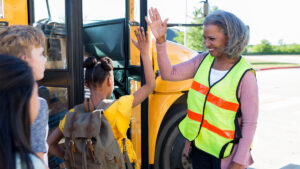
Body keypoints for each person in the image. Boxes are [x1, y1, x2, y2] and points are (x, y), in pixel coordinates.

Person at [146, 8, 258, 169]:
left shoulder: (245, 76)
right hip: (199, 149)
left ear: (230, 37)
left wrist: (239, 163)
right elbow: (168, 74)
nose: (206, 43)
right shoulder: (202, 61)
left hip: (225, 155)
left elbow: (249, 123)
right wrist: (161, 42)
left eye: (211, 38)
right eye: (205, 38)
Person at [47, 27, 156, 169]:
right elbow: (150, 85)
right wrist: (144, 52)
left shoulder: (72, 115)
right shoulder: (119, 107)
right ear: (110, 81)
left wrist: (75, 159)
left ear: (86, 84)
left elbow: (50, 144)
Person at [0, 25, 49, 165]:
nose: (44, 59)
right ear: (24, 60)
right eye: (41, 54)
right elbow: (38, 156)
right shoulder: (34, 103)